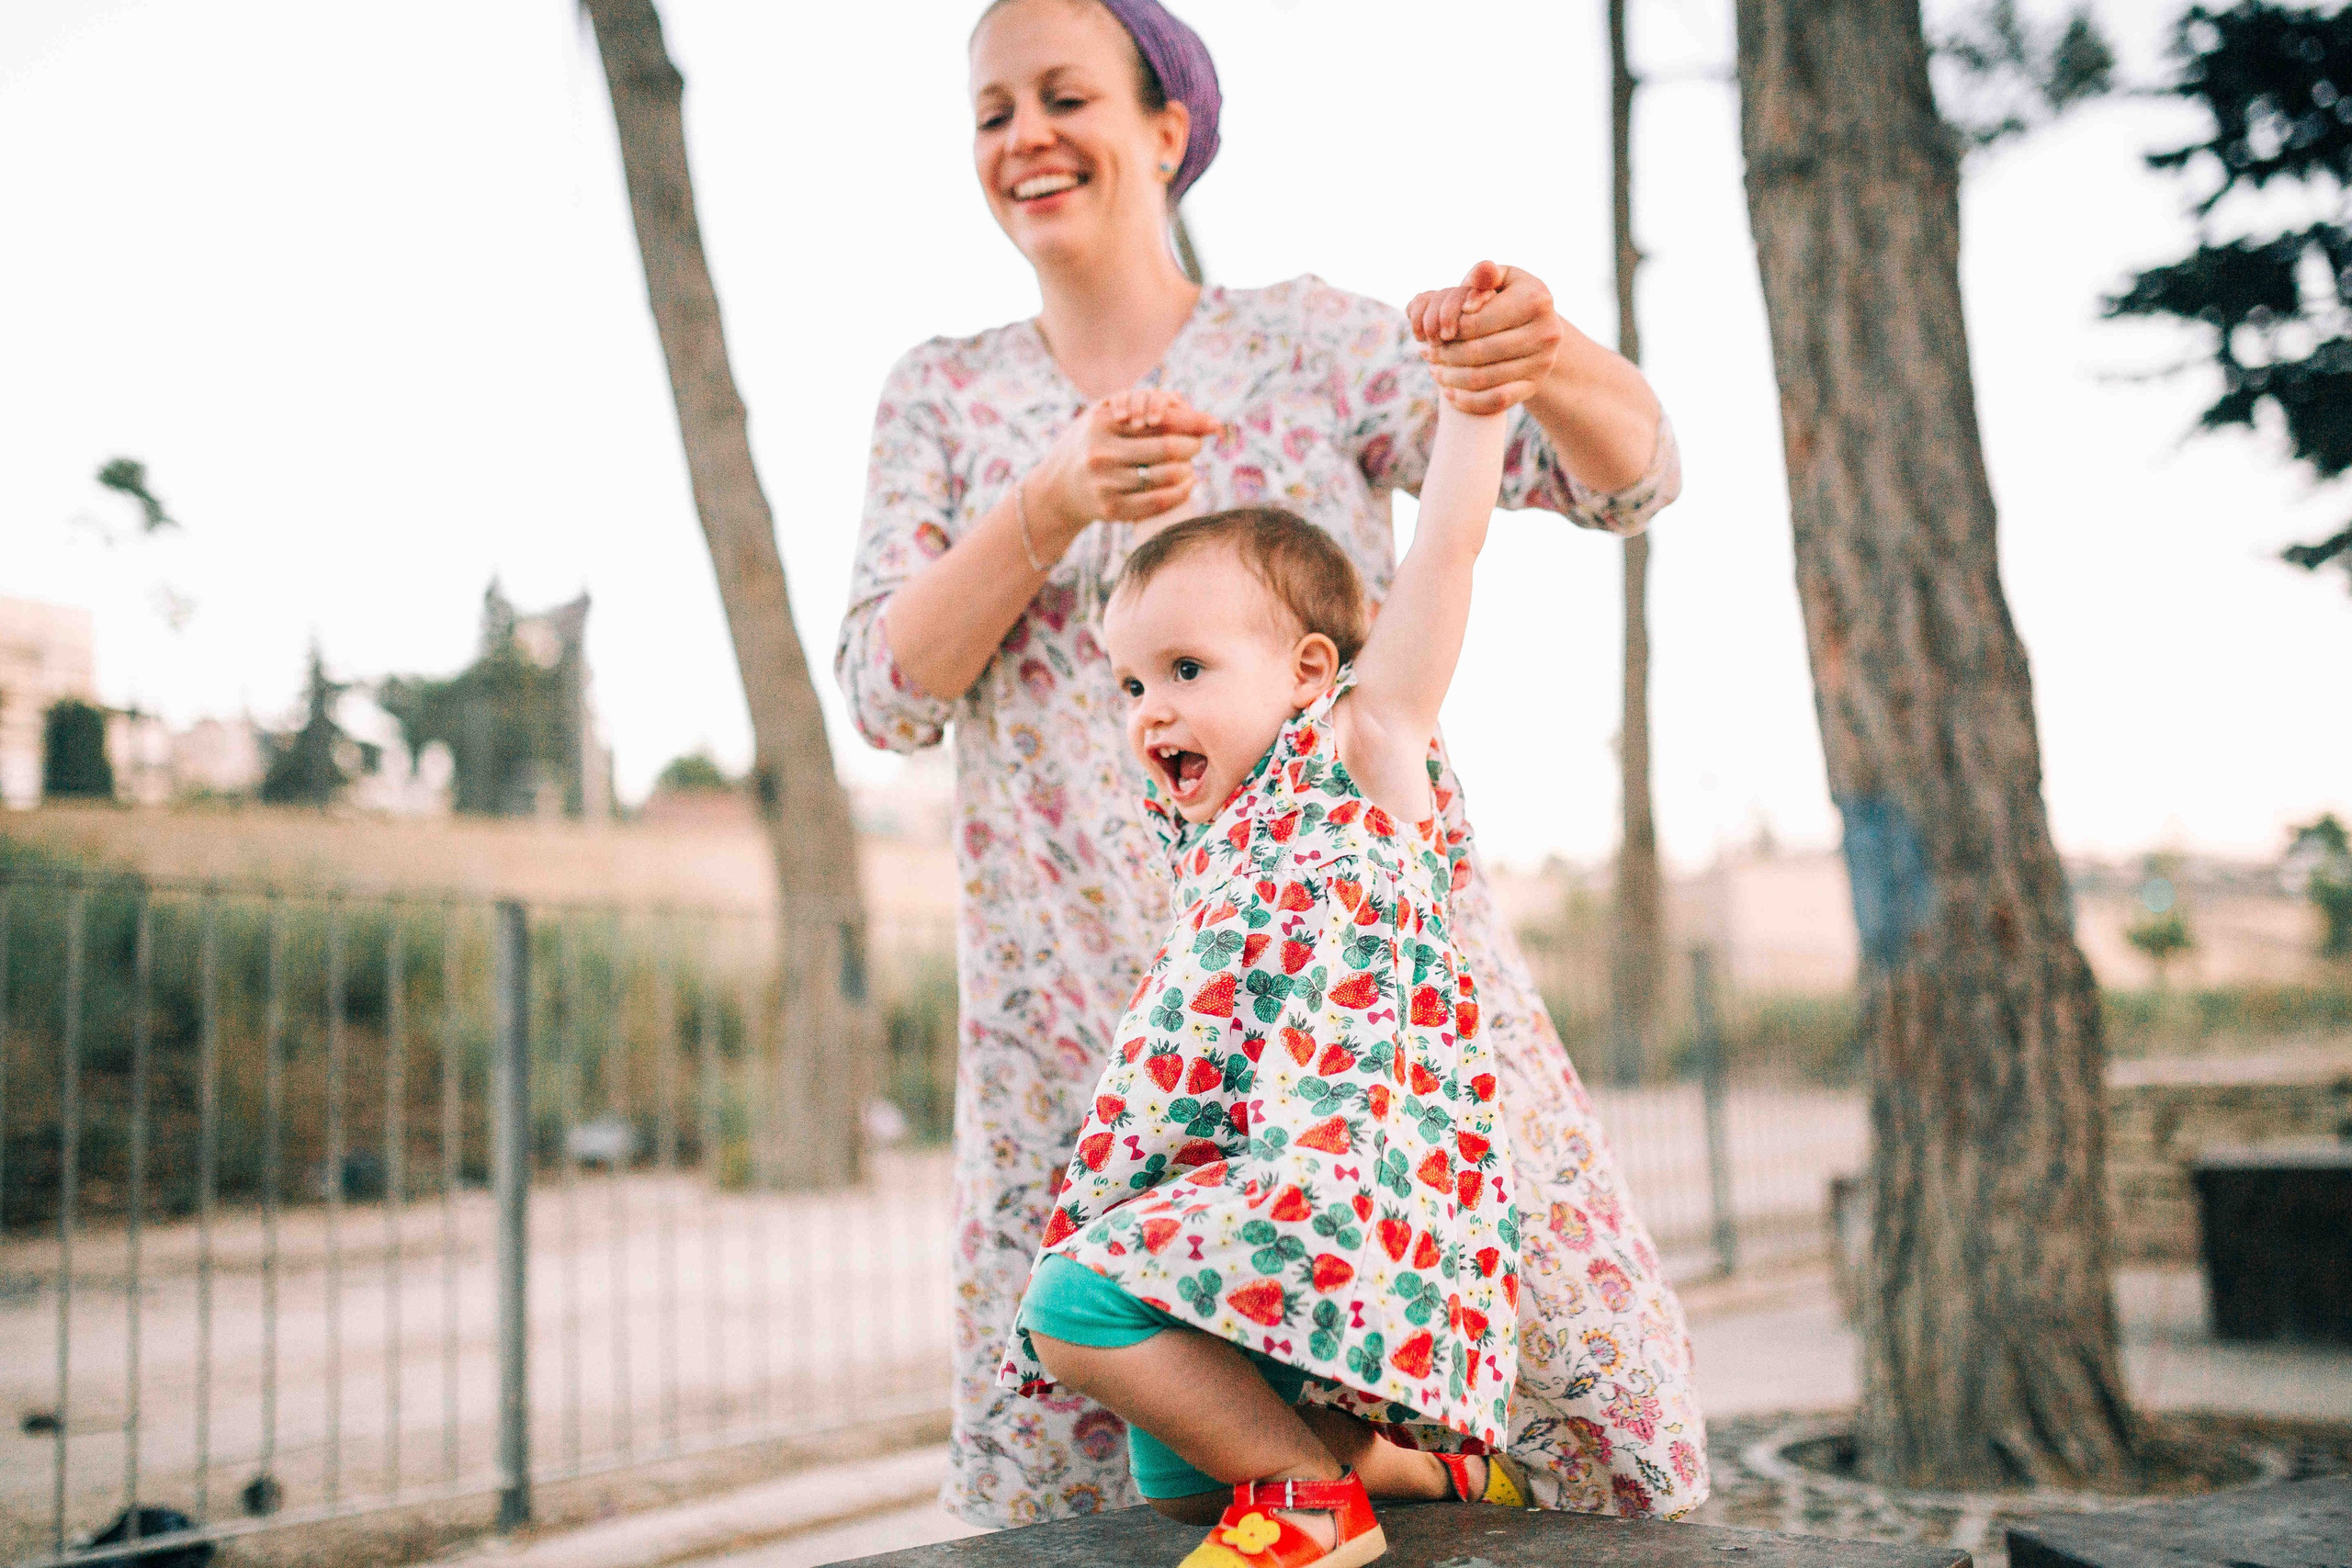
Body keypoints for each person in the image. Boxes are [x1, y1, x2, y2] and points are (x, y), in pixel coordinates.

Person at [836, 0, 1706, 1527]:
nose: (1025, 137)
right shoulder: (944, 396)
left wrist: (1539, 349)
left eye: (1062, 96)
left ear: (1168, 127)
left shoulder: (1303, 343)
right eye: (991, 112)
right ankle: (1312, 1509)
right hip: (1093, 1039)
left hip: (1349, 1027)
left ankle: (1371, 1491)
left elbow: (1627, 479)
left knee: (1495, 1455)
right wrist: (1048, 503)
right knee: (1131, 1448)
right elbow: (887, 695)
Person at [1003, 358, 1531, 1567]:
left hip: (1354, 1174)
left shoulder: (1358, 751)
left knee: (1074, 1303)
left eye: (1186, 670)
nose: (1149, 708)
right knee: (1180, 1479)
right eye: (1132, 682)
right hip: (1266, 1175)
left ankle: (1311, 1502)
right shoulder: (1211, 839)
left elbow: (1445, 557)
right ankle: (1420, 1471)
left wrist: (1474, 408)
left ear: (1306, 671)